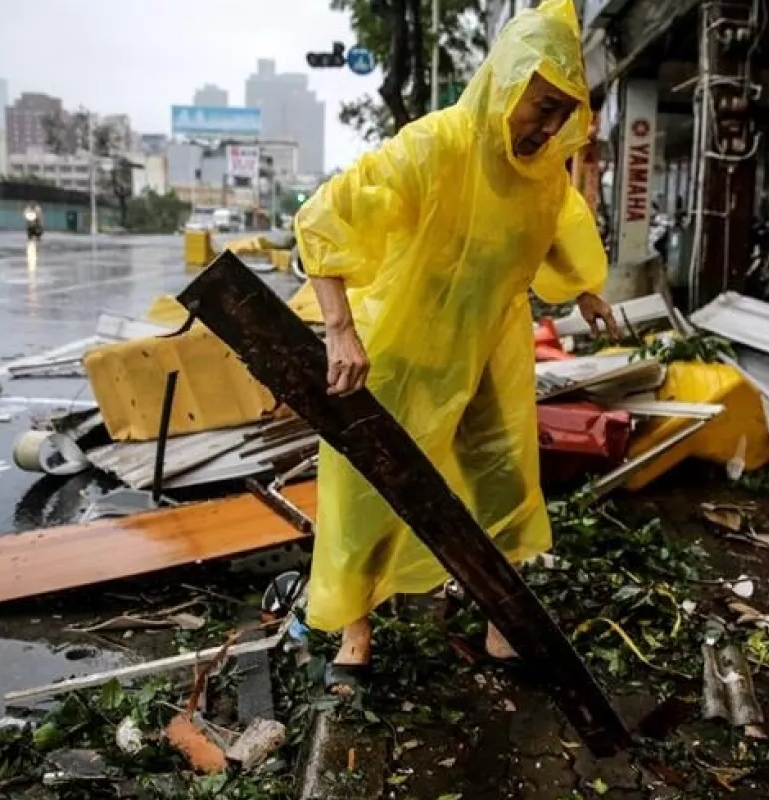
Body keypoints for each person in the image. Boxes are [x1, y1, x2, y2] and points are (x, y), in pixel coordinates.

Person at [294, 0, 618, 689]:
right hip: (403, 345)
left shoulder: (545, 174)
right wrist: (341, 331)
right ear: (505, 84)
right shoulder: (434, 145)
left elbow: (560, 229)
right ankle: (356, 631)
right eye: (541, 107)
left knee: (503, 478)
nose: (549, 126)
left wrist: (587, 291)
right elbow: (324, 222)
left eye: (564, 112)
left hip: (490, 345)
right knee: (370, 488)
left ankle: (502, 623)